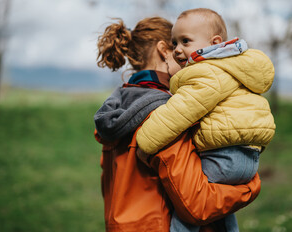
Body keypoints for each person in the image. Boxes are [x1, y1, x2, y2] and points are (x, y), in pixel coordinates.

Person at [93, 16, 261, 232]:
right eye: (177, 46)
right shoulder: (167, 115)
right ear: (164, 50)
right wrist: (250, 186)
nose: (191, 60)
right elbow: (197, 205)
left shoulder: (118, 109)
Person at [136, 8, 276, 232]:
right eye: (174, 43)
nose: (178, 50)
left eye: (186, 41)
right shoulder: (233, 68)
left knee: (188, 210)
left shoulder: (206, 71)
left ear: (215, 42)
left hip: (223, 156)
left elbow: (179, 112)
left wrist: (145, 144)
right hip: (249, 156)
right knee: (219, 210)